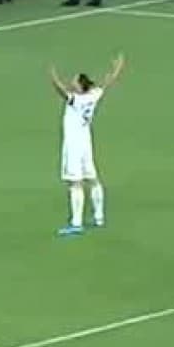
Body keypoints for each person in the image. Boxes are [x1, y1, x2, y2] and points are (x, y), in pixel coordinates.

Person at [51, 54, 125, 236]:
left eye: (75, 81)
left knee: (74, 182)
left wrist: (53, 78)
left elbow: (62, 92)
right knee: (92, 179)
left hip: (73, 144)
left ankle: (76, 223)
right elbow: (107, 82)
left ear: (80, 86)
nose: (72, 83)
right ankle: (99, 217)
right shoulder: (93, 95)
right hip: (85, 142)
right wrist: (117, 68)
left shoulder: (77, 100)